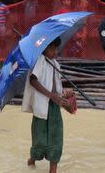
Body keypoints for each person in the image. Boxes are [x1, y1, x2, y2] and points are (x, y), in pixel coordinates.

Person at [22, 37, 73, 173]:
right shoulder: (39, 61)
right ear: (43, 48)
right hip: (41, 107)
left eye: (56, 48)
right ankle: (32, 159)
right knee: (39, 140)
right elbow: (33, 80)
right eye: (52, 48)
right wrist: (52, 95)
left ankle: (53, 170)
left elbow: (55, 85)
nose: (55, 51)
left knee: (56, 138)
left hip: (54, 107)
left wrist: (63, 94)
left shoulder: (55, 64)